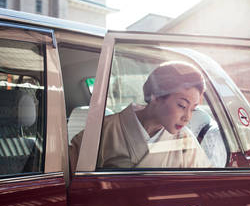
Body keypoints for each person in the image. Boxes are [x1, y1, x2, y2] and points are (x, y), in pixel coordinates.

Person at [70, 61, 211, 170]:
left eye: (193, 109)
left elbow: (203, 186)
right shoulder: (102, 133)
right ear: (156, 96)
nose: (187, 117)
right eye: (182, 106)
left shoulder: (185, 141)